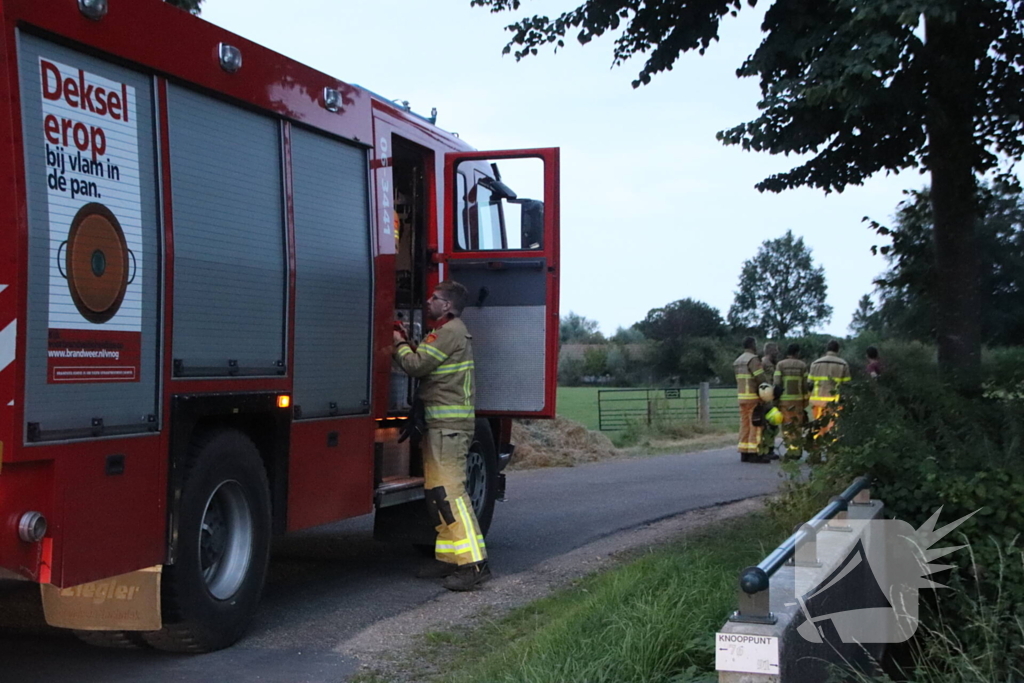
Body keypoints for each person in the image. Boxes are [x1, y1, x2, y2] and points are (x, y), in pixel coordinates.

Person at [393, 280, 490, 591]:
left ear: (447, 305)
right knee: (438, 494)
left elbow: (417, 364)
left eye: (434, 298)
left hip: (449, 429)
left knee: (451, 495)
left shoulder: (449, 332)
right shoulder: (449, 331)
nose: (429, 300)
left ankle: (473, 564)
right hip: (441, 426)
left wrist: (397, 343)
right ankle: (448, 557)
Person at [808, 340, 851, 440]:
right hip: (834, 402)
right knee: (833, 427)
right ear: (838, 350)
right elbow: (847, 385)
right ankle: (831, 452)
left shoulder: (816, 363)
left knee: (817, 427)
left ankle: (816, 451)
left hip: (817, 402)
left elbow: (810, 383)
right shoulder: (843, 364)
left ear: (827, 349)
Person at [733, 337, 765, 462]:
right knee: (756, 425)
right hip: (753, 397)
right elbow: (760, 378)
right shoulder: (753, 359)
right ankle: (754, 452)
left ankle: (743, 451)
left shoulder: (738, 361)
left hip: (741, 397)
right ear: (752, 345)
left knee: (744, 424)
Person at [774, 343, 809, 460]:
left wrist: (776, 401)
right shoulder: (802, 365)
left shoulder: (780, 365)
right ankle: (798, 450)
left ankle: (790, 451)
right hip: (798, 401)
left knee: (787, 427)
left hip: (784, 402)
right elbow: (805, 385)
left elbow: (777, 384)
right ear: (797, 353)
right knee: (798, 426)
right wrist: (805, 401)